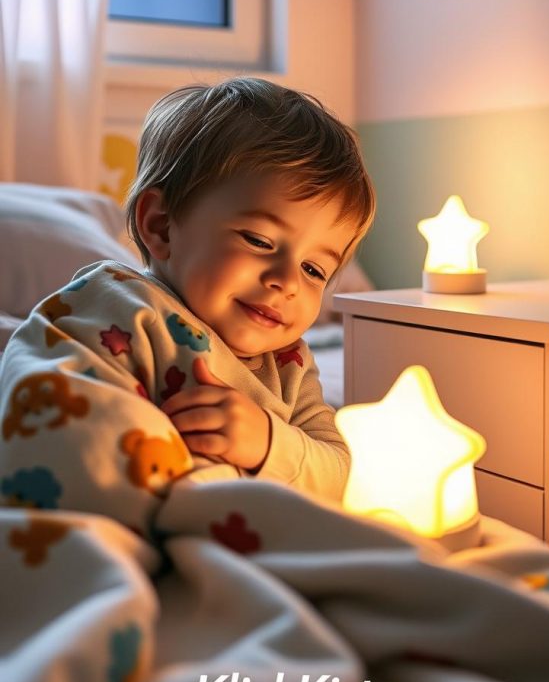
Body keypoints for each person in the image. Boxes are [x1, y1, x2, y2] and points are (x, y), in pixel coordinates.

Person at [0, 78, 376, 530]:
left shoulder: (291, 364)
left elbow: (339, 471)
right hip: (135, 523)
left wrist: (268, 442)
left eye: (315, 271)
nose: (286, 282)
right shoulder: (113, 304)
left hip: (242, 535)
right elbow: (58, 414)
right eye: (259, 240)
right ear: (160, 225)